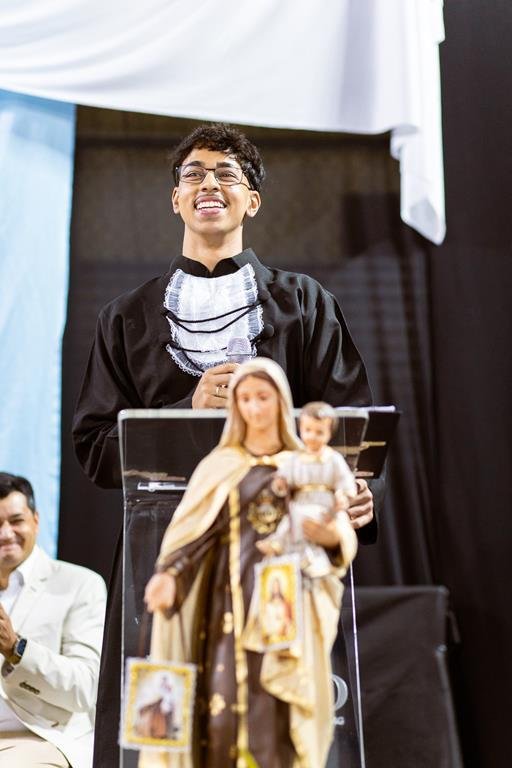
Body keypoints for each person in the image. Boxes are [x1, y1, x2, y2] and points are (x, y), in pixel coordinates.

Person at [73, 123, 378, 767]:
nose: (208, 183)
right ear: (175, 200)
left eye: (227, 174)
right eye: (193, 174)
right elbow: (96, 448)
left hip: (280, 545)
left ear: (252, 201)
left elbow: (347, 430)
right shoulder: (125, 318)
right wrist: (186, 410)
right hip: (165, 544)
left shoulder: (305, 304)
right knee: (167, 718)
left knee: (272, 712)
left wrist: (352, 491)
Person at [143, 359, 358, 768]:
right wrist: (170, 574)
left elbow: (338, 527)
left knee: (274, 713)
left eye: (263, 398)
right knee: (223, 708)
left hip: (283, 607)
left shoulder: (307, 465)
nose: (255, 409)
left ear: (282, 403)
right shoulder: (219, 468)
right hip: (227, 607)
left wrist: (332, 536)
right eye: (245, 399)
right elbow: (197, 535)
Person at [0, 472, 106, 768]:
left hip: (42, 737)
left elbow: (86, 688)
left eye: (16, 521)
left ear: (36, 520)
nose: (6, 533)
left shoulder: (79, 584)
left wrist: (16, 648)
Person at [259, 401, 358, 578]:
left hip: (324, 505)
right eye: (308, 430)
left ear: (329, 433)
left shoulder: (333, 458)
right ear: (300, 429)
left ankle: (317, 562)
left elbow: (345, 481)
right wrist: (280, 484)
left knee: (317, 532)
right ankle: (278, 544)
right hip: (301, 502)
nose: (312, 436)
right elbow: (283, 479)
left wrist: (343, 495)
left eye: (319, 432)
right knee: (288, 522)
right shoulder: (296, 458)